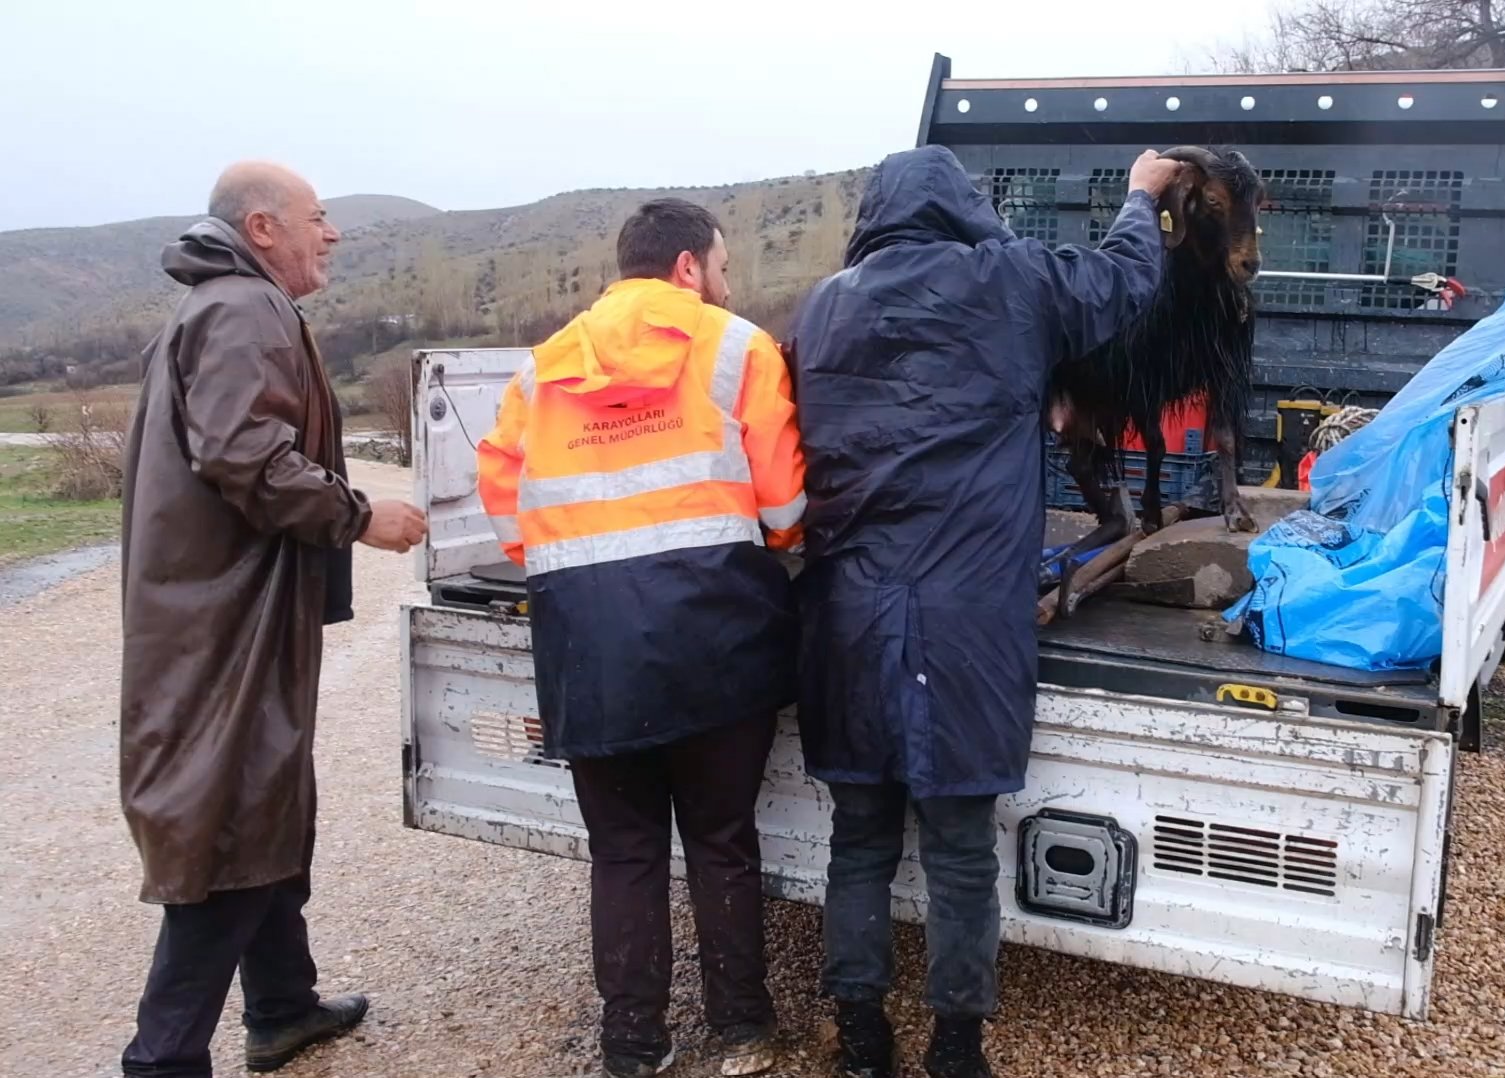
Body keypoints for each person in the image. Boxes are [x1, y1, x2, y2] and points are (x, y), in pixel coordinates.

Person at [783, 145, 1180, 1078]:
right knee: (962, 848)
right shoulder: (1011, 279)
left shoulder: (827, 306)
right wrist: (1138, 197)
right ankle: (957, 1045)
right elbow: (1124, 283)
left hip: (847, 616)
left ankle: (859, 1036)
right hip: (967, 623)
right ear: (964, 207)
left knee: (860, 839)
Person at [475, 198, 806, 1078]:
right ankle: (740, 1026)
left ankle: (632, 1045)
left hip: (590, 644)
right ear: (690, 267)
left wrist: (581, 561)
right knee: (722, 837)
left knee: (623, 853)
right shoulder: (737, 347)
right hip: (717, 637)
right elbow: (784, 506)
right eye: (723, 266)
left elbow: (507, 505)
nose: (727, 282)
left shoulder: (543, 369)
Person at [118, 161, 427, 1078]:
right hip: (226, 621)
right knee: (231, 819)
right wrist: (361, 515)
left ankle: (283, 1008)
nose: (329, 234)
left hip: (222, 609)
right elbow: (245, 454)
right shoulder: (243, 311)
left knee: (266, 801)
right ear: (262, 229)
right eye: (317, 219)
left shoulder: (219, 307)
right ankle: (162, 1058)